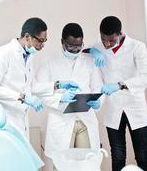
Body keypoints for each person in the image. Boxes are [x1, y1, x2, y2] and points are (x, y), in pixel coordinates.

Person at [0, 17, 79, 139]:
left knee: (22, 155)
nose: (42, 46)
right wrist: (22, 97)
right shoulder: (3, 53)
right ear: (27, 37)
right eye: (40, 41)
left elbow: (31, 86)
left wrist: (58, 84)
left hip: (21, 118)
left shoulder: (29, 56)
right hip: (6, 119)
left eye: (45, 41)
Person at [88, 16, 147, 171]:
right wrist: (93, 50)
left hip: (135, 107)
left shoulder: (137, 47)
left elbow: (146, 77)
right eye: (103, 39)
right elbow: (82, 51)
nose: (107, 44)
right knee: (117, 155)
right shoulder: (99, 47)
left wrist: (120, 85)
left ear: (120, 34)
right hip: (113, 108)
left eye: (111, 40)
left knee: (142, 155)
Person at [36, 23, 103, 170]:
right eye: (70, 46)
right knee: (61, 166)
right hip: (61, 119)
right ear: (62, 42)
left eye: (78, 46)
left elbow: (97, 86)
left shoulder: (89, 60)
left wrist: (98, 101)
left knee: (87, 164)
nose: (75, 50)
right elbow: (40, 90)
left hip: (85, 119)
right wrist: (60, 98)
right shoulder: (48, 61)